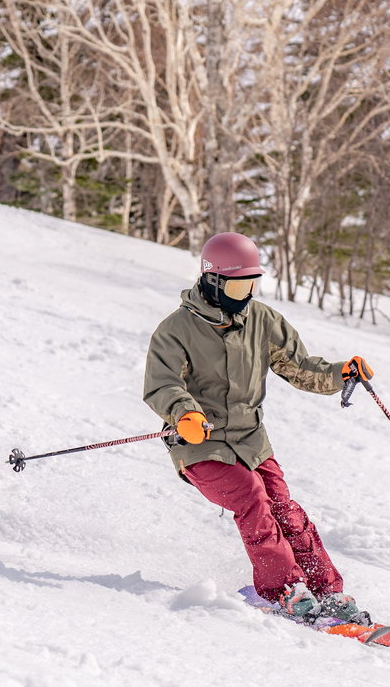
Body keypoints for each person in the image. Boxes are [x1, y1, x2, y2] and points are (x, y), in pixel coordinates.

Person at [143, 231, 374, 623]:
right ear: (213, 280)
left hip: (251, 440)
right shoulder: (176, 330)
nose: (247, 291)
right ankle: (286, 590)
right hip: (201, 444)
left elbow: (300, 368)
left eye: (252, 282)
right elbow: (162, 385)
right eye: (239, 283)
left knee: (286, 509)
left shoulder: (263, 320)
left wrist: (340, 373)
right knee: (252, 499)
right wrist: (184, 412)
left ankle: (326, 591)